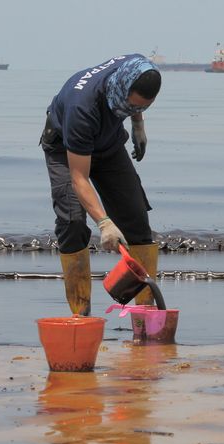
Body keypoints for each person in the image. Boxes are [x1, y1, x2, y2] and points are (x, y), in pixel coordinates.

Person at [40, 54, 162, 316]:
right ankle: (81, 315)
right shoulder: (81, 108)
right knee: (72, 222)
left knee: (137, 221)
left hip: (108, 143)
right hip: (65, 147)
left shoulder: (137, 67)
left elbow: (136, 103)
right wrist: (104, 223)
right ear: (120, 88)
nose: (129, 111)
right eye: (128, 107)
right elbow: (79, 178)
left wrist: (138, 124)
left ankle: (145, 319)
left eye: (138, 108)